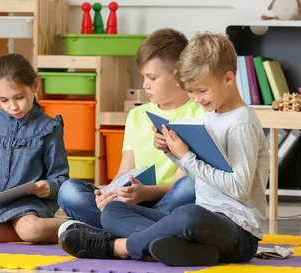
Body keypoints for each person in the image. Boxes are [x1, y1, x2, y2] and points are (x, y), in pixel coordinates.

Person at [59, 32, 269, 267]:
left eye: (202, 91)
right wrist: (170, 150)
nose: (196, 99)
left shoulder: (241, 123)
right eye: (192, 92)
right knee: (113, 212)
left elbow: (238, 188)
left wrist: (185, 156)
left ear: (228, 79)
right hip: (203, 225)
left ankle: (117, 247)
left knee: (188, 214)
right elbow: (204, 168)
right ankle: (193, 251)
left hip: (237, 230)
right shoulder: (213, 114)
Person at [58, 28, 205, 231]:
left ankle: (124, 228)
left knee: (191, 185)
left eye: (152, 78)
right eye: (143, 77)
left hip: (168, 200)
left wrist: (144, 193)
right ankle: (151, 229)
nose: (145, 85)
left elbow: (181, 185)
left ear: (179, 76)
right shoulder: (136, 115)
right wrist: (112, 195)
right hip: (135, 202)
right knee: (68, 191)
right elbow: (125, 172)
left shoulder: (199, 114)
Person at [0, 53, 70, 243]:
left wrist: (48, 187)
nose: (13, 107)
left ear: (35, 85)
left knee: (31, 229)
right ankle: (23, 235)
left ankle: (76, 226)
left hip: (28, 206)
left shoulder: (49, 127)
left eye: (19, 97)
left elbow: (61, 178)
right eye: (4, 100)